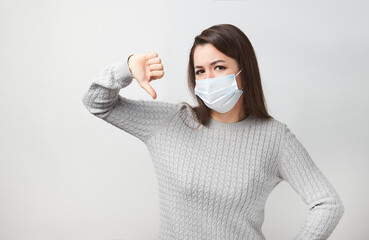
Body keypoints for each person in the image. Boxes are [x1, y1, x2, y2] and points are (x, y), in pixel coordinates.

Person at [82, 24, 344, 239]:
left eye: (219, 67)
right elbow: (96, 102)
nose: (208, 79)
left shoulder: (274, 138)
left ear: (244, 71)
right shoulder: (170, 121)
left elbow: (327, 204)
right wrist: (126, 68)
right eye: (200, 71)